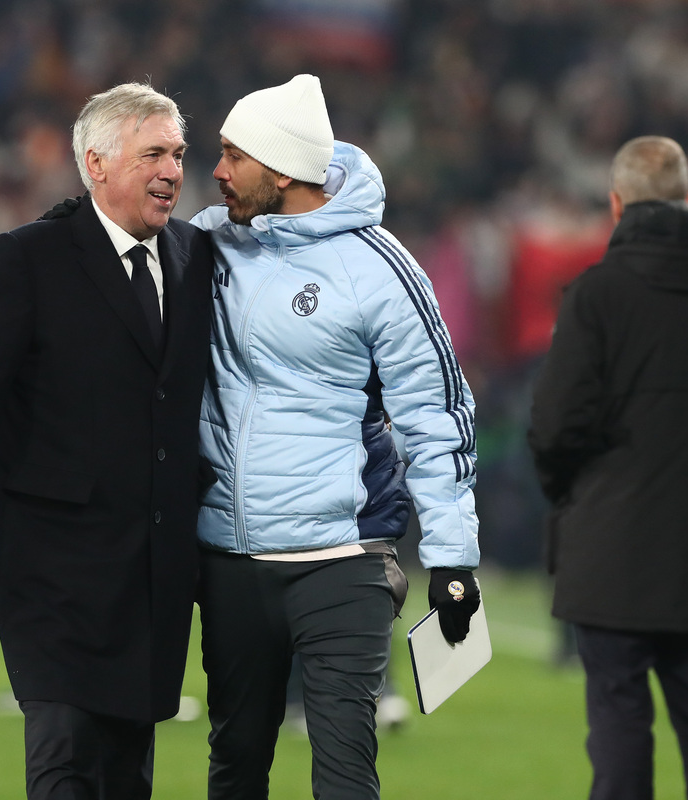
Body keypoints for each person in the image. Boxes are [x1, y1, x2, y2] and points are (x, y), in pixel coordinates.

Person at [0, 82, 213, 800]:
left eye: (179, 154)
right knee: (65, 759)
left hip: (155, 568)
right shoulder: (27, 259)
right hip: (54, 566)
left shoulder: (195, 259)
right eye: (154, 154)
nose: (172, 170)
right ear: (96, 164)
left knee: (128, 771)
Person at [192, 74, 480, 800]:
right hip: (228, 556)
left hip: (342, 560)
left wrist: (452, 555)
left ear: (282, 169)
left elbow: (435, 412)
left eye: (234, 155)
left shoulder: (381, 269)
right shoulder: (204, 244)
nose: (217, 171)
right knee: (234, 766)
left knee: (346, 769)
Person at [527, 136, 688, 800]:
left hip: (611, 546)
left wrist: (575, 495)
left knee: (618, 720)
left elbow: (554, 426)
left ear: (616, 207)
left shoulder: (595, 297)